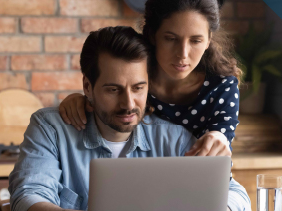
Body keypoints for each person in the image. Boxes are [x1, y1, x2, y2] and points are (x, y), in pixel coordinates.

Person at [8, 26, 252, 211]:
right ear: (87, 87)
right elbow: (27, 201)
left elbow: (238, 197)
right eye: (113, 90)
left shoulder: (174, 138)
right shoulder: (50, 128)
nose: (128, 104)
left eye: (138, 88)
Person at [60, 0, 241, 157]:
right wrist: (83, 100)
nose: (183, 54)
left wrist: (219, 138)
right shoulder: (135, 76)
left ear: (209, 40)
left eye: (196, 41)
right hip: (140, 176)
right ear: (153, 35)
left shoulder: (222, 86)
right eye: (171, 39)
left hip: (197, 180)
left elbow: (221, 146)